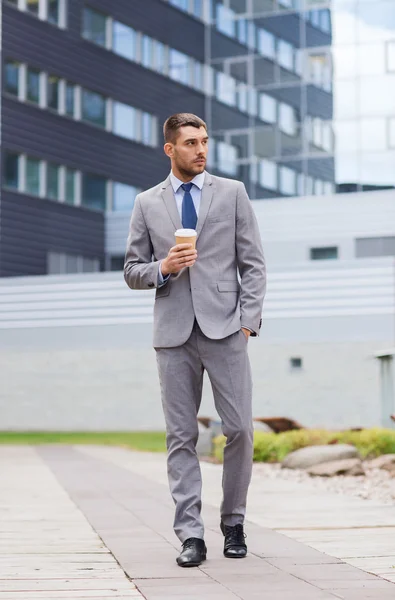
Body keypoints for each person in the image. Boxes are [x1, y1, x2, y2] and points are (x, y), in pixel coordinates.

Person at [124, 113, 266, 567]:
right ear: (170, 149)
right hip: (173, 335)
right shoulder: (147, 203)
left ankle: (234, 523)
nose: (201, 150)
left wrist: (248, 322)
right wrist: (163, 267)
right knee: (180, 436)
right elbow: (132, 271)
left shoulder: (233, 193)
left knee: (240, 429)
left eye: (204, 141)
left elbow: (254, 264)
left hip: (227, 329)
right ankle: (190, 534)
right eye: (190, 143)